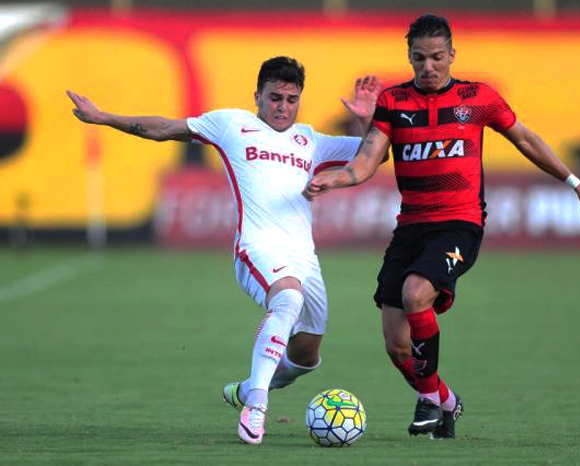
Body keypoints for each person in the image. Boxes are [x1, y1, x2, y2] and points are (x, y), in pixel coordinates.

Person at [304, 14, 580, 439]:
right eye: (418, 59)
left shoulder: (478, 97)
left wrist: (574, 183)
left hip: (459, 224)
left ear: (451, 54)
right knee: (396, 345)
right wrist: (331, 180)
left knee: (416, 293)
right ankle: (447, 401)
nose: (427, 67)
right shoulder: (393, 102)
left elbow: (524, 139)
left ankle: (427, 401)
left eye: (435, 57)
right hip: (410, 228)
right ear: (409, 58)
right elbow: (365, 163)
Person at [67, 56, 381, 445]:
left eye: (291, 99)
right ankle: (257, 406)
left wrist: (370, 119)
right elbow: (164, 128)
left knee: (305, 357)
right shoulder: (232, 124)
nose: (283, 107)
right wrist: (104, 118)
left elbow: (375, 155)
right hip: (257, 247)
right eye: (275, 97)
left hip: (305, 258)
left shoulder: (310, 140)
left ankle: (246, 388)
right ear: (257, 96)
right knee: (287, 300)